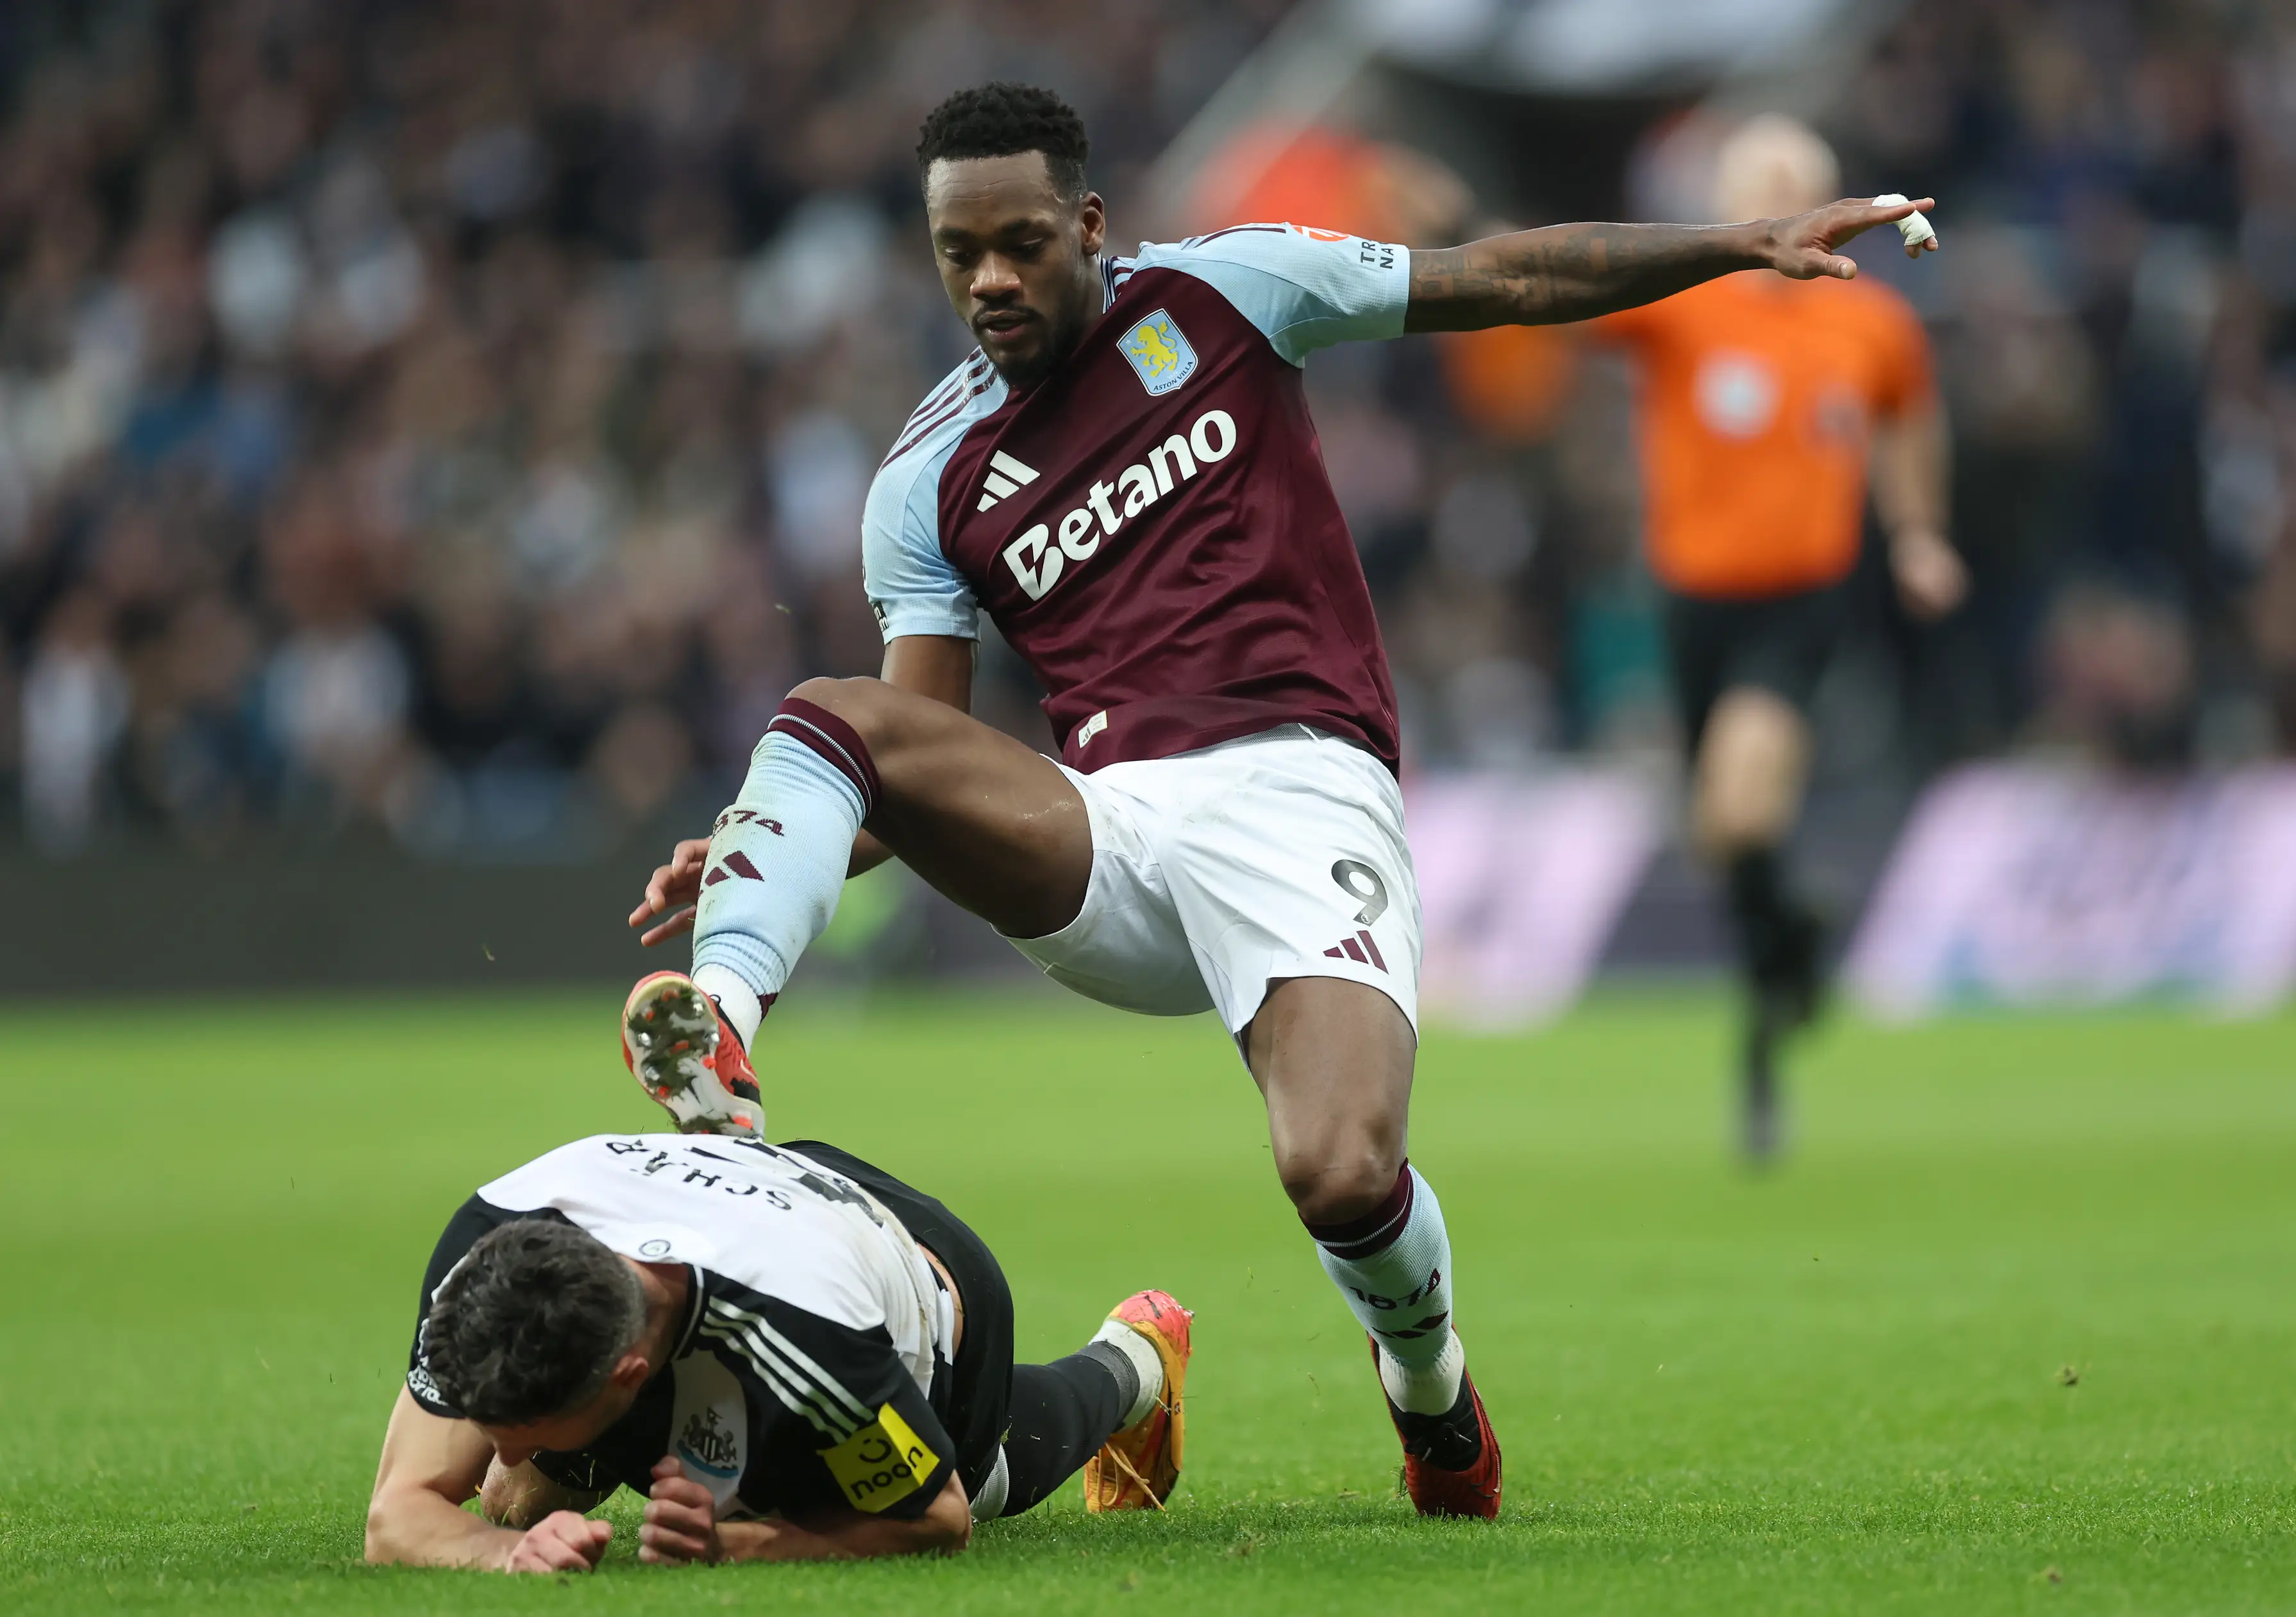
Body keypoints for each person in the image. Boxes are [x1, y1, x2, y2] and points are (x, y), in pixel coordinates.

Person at [619, 81, 1934, 1518]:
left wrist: (1743, 242)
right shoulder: (925, 477)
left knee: (1340, 1171)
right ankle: (722, 1034)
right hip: (1108, 832)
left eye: (1019, 243)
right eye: (958, 255)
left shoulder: (1228, 292)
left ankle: (1431, 1394)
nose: (989, 280)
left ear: (1088, 225)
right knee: (830, 717)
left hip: (1302, 793)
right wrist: (776, 833)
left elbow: (1505, 278)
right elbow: (911, 758)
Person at [1591, 115, 1965, 1163]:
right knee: (1723, 832)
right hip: (1690, 602)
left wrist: (1918, 533)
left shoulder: (1874, 325)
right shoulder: (1685, 306)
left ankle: (1777, 992)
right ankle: (1787, 968)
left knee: (1742, 806)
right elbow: (1572, 300)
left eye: (1798, 186)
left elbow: (1910, 419)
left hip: (1801, 601)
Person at [365, 1130, 1192, 1571]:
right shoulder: (489, 1246)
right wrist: (510, 1554)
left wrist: (738, 1544)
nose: (493, 1453)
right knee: (520, 1506)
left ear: (629, 1376)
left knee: (969, 1488)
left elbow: (933, 1523)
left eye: (522, 1424)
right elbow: (396, 1518)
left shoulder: (810, 1349)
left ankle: (1133, 1361)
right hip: (751, 1208)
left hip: (922, 1297)